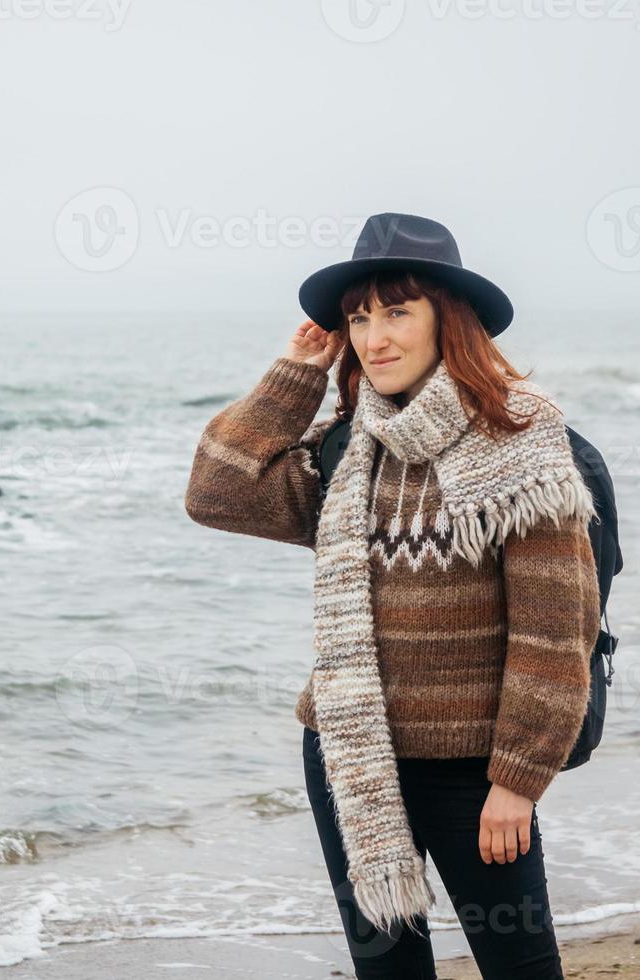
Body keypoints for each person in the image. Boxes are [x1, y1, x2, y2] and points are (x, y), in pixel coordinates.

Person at [183, 214, 601, 979]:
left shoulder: (523, 437)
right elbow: (215, 492)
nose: (374, 337)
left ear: (450, 319)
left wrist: (518, 779)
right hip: (350, 754)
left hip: (474, 769)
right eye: (358, 317)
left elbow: (556, 630)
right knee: (389, 975)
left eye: (397, 311)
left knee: (521, 969)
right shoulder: (348, 450)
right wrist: (296, 371)